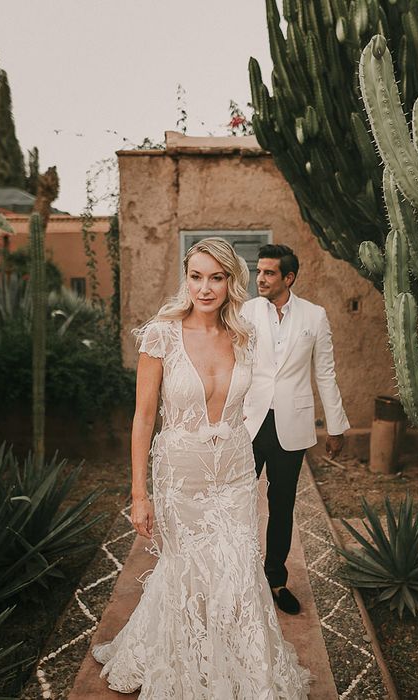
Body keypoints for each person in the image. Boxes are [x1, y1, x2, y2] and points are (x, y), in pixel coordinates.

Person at [92, 238, 311, 698]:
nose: (205, 288)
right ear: (185, 277)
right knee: (187, 572)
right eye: (196, 276)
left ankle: (246, 668)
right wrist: (138, 493)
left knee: (238, 569)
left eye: (216, 277)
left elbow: (266, 394)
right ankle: (182, 667)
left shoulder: (244, 335)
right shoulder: (161, 335)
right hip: (179, 476)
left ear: (231, 281)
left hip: (233, 471)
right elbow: (143, 418)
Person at [242, 244, 350, 615]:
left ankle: (275, 579)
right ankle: (238, 577)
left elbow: (325, 372)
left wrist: (335, 427)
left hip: (292, 423)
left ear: (288, 278)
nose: (260, 278)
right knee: (238, 502)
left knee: (281, 505)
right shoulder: (245, 311)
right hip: (249, 421)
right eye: (258, 272)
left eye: (269, 273)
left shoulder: (314, 316)